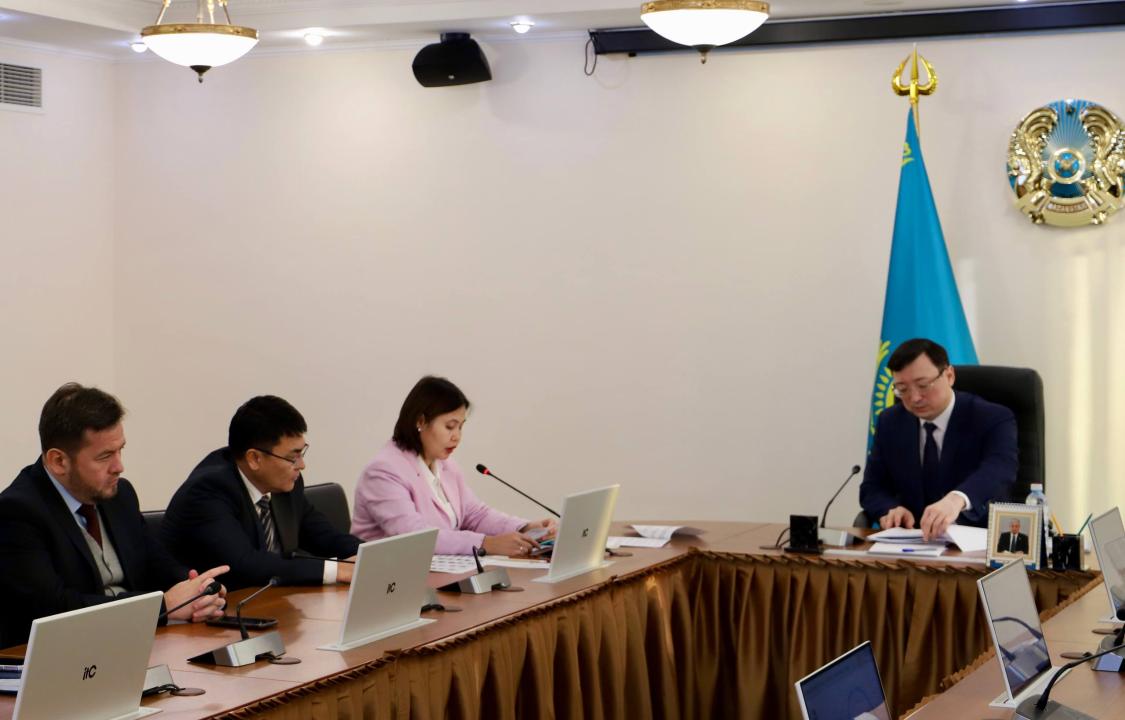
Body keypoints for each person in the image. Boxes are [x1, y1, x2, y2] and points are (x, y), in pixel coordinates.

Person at [0, 383, 228, 647]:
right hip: (64, 654)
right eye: (105, 456)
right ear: (58, 461)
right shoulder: (16, 512)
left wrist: (199, 591)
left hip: (134, 644)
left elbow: (157, 564)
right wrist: (163, 606)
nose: (119, 466)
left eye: (121, 450)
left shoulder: (120, 495)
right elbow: (56, 609)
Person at [162, 395, 361, 590]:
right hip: (218, 604)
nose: (301, 465)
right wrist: (337, 570)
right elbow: (246, 564)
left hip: (272, 600)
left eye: (302, 453)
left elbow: (325, 537)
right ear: (254, 459)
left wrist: (369, 556)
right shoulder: (208, 491)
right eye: (292, 457)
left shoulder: (285, 484)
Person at [351, 376, 555, 556]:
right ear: (420, 421)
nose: (457, 436)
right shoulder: (383, 472)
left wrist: (525, 528)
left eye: (460, 427)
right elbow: (413, 536)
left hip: (436, 571)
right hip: (390, 578)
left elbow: (475, 515)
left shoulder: (445, 465)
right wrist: (486, 544)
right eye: (450, 426)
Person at [859, 338, 1018, 540]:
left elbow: (1000, 468)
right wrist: (890, 509)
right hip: (913, 543)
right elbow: (872, 487)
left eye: (923, 385)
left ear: (949, 375)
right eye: (902, 389)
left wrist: (956, 500)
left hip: (978, 542)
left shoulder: (992, 418)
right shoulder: (891, 422)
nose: (914, 398)